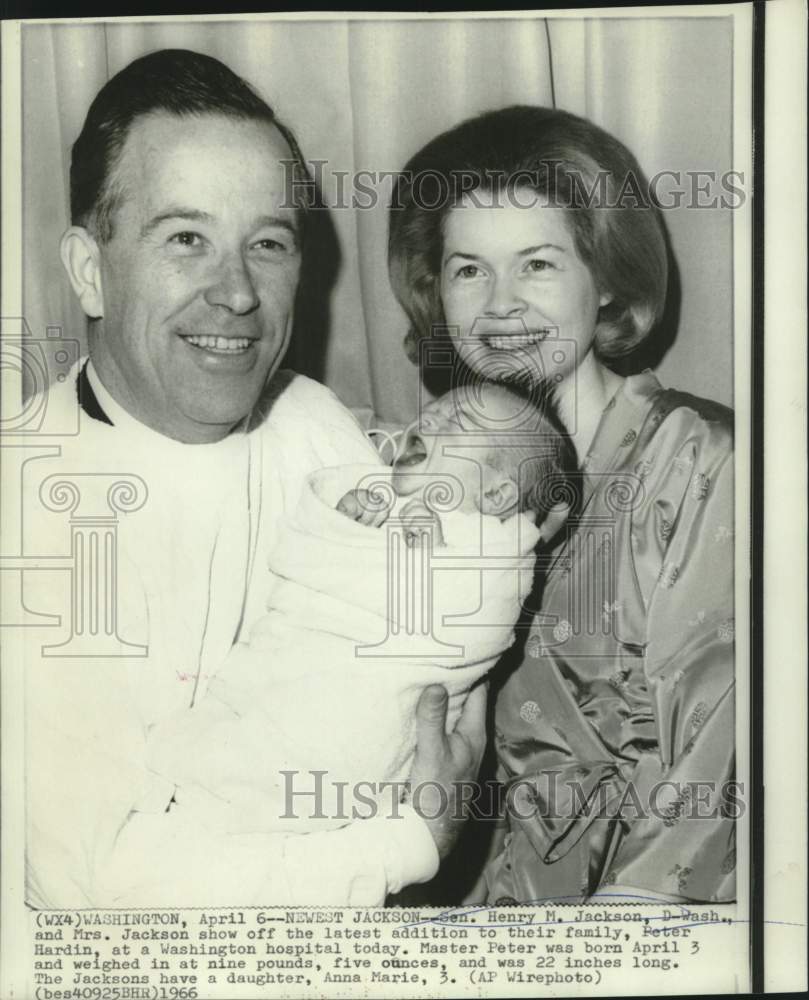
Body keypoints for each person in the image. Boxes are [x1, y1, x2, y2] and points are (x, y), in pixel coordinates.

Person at [22, 48, 488, 908]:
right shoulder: (30, 510)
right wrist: (410, 839)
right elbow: (113, 906)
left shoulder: (316, 424)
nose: (237, 293)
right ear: (90, 270)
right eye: (186, 239)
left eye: (267, 243)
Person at [388, 105, 736, 904]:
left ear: (606, 277)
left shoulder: (699, 461)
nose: (499, 305)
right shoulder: (436, 465)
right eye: (468, 269)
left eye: (536, 264)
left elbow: (709, 784)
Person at [145, 382, 571, 858]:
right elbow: (303, 559)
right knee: (233, 717)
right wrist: (344, 521)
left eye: (456, 425)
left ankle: (221, 804)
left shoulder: (492, 555)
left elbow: (469, 620)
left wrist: (436, 559)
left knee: (300, 755)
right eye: (430, 413)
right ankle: (202, 794)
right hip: (292, 659)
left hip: (360, 705)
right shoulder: (380, 495)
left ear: (495, 494)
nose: (428, 422)